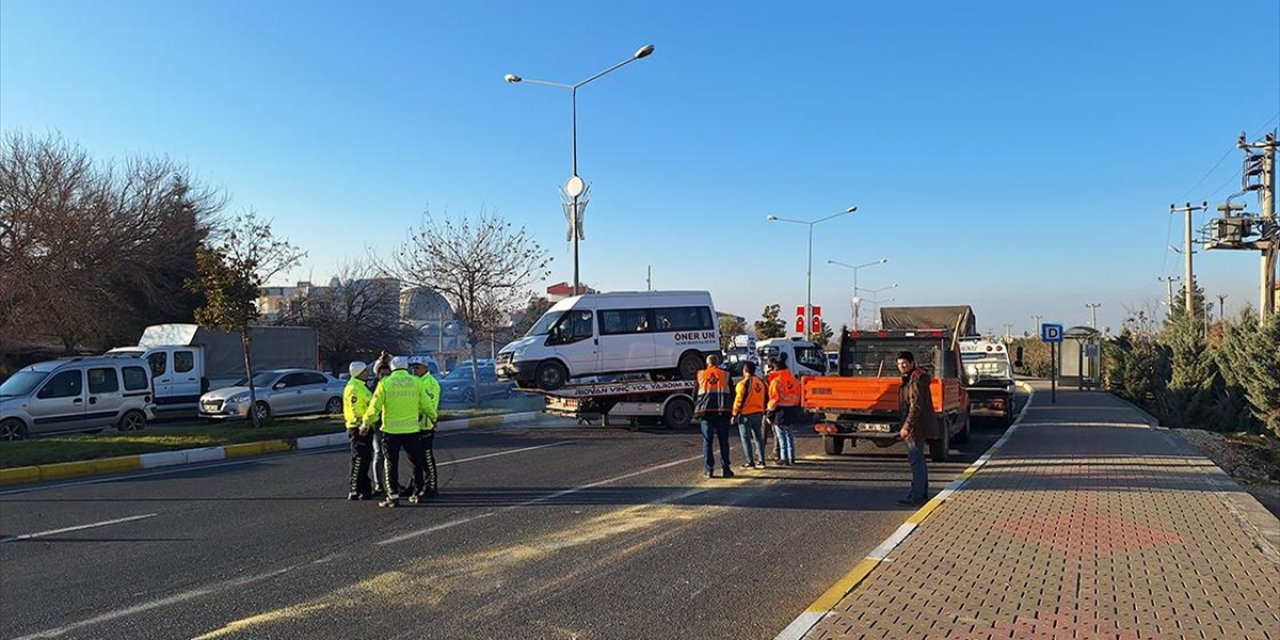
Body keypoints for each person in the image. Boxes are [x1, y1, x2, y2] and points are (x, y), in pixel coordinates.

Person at [362, 356, 435, 507]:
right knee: (416, 463)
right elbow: (426, 405)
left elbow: (374, 407)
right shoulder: (416, 382)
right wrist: (433, 418)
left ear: (392, 368)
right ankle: (418, 493)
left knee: (391, 464)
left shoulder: (385, 383)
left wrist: (365, 423)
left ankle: (393, 496)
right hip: (411, 431)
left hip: (391, 431)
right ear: (406, 367)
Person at [897, 351, 939, 507]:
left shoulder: (915, 380)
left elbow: (916, 406)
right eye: (899, 364)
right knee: (919, 461)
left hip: (916, 427)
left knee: (916, 461)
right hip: (918, 426)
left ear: (912, 363)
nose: (902, 367)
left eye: (905, 364)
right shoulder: (914, 377)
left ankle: (917, 496)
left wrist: (907, 425)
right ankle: (919, 494)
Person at [694, 353, 734, 478]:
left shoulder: (700, 375)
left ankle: (709, 470)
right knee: (723, 441)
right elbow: (732, 393)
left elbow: (694, 394)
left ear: (707, 363)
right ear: (717, 363)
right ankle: (726, 469)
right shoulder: (726, 375)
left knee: (707, 441)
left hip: (706, 413)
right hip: (723, 412)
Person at [408, 355, 442, 498]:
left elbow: (429, 405)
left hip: (425, 426)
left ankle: (432, 486)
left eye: (417, 367)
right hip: (414, 426)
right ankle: (416, 484)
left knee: (427, 458)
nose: (415, 370)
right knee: (415, 459)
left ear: (425, 368)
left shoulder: (430, 383)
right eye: (413, 367)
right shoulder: (416, 381)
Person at [343, 361, 375, 500]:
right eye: (365, 371)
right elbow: (356, 410)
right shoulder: (354, 388)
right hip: (359, 428)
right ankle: (354, 489)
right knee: (358, 459)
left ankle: (364, 488)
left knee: (365, 459)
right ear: (359, 373)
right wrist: (362, 424)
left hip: (365, 427)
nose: (367, 373)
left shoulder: (361, 386)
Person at [731, 360, 768, 469]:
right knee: (758, 437)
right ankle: (762, 461)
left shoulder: (742, 384)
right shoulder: (761, 382)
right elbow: (766, 397)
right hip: (759, 413)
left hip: (746, 414)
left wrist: (734, 414)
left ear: (745, 370)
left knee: (746, 438)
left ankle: (750, 461)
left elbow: (739, 400)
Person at [368, 351, 394, 496]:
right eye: (381, 373)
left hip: (391, 425)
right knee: (379, 454)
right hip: (378, 426)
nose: (384, 376)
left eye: (387, 373)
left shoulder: (393, 386)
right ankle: (379, 484)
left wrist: (387, 358)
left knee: (390, 456)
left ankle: (390, 482)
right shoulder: (374, 387)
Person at [766, 358, 800, 465]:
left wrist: (769, 414)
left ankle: (784, 458)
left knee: (781, 437)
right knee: (789, 435)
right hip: (792, 409)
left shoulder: (776, 381)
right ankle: (791, 458)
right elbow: (798, 394)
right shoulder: (793, 379)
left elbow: (773, 399)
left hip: (779, 411)